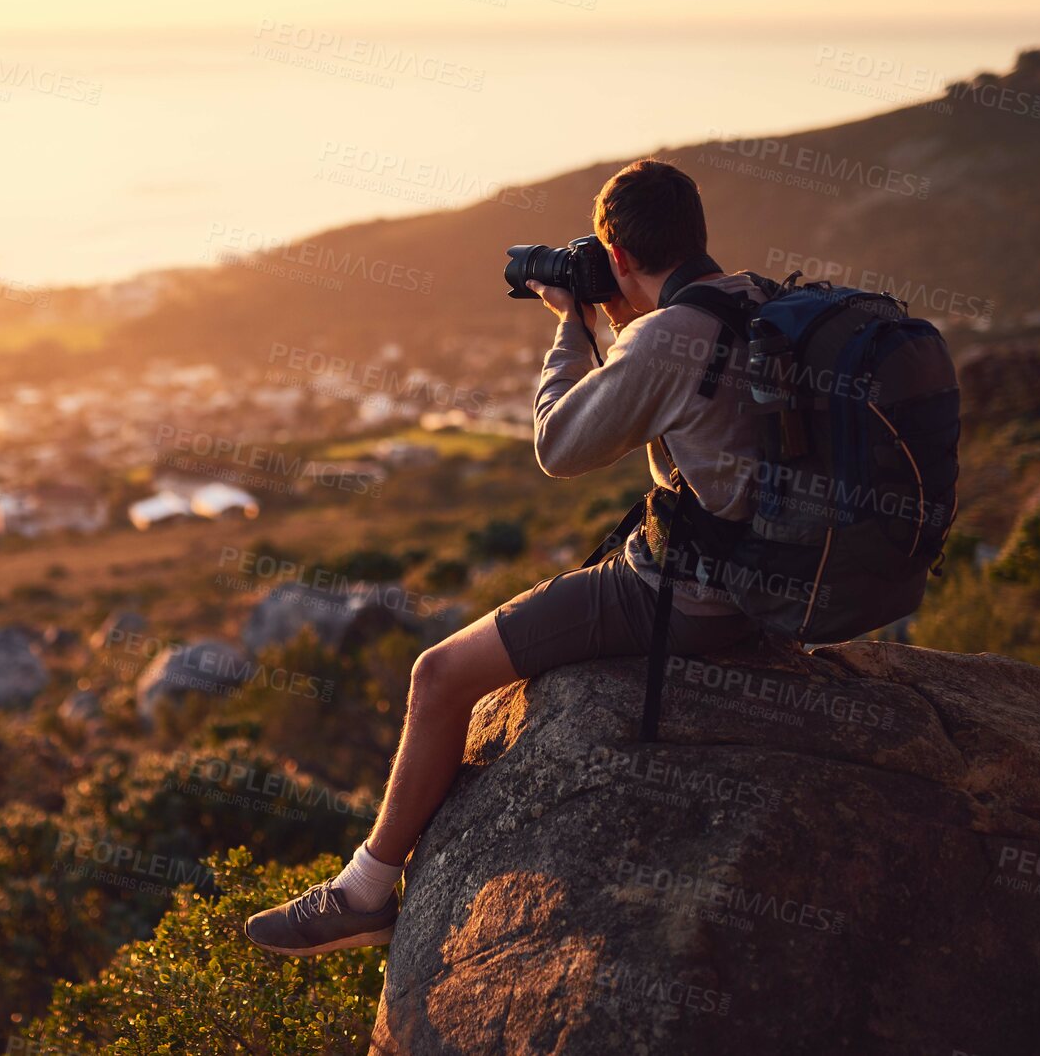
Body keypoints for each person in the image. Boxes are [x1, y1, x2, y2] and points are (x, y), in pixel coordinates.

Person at [243, 158, 767, 956]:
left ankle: (363, 891)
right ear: (695, 234)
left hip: (692, 597)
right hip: (771, 581)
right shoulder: (757, 299)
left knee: (437, 673)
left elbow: (559, 444)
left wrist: (568, 320)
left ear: (616, 257)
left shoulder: (665, 336)